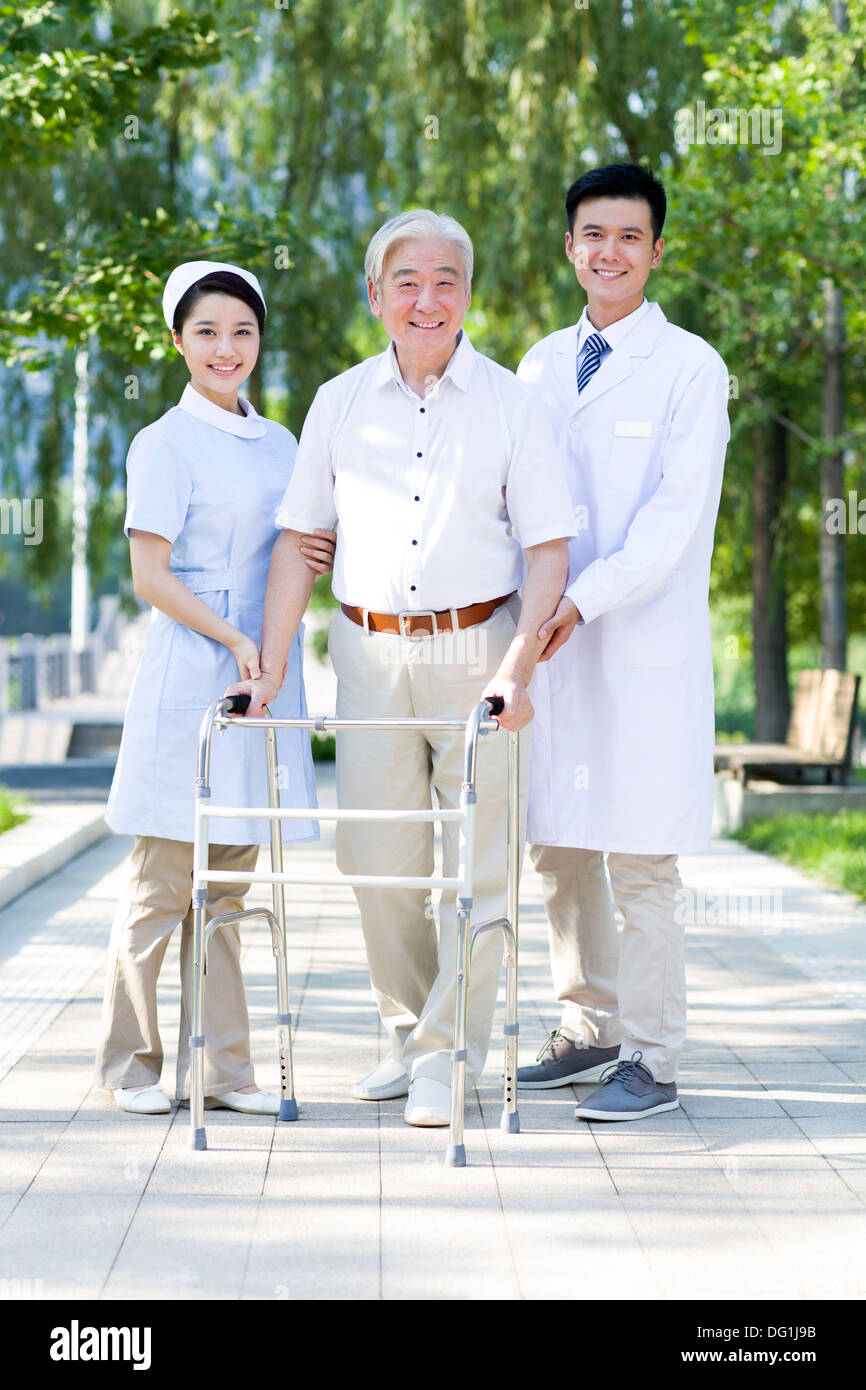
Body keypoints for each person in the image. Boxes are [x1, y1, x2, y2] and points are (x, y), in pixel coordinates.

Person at [227, 209, 573, 1127]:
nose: (427, 299)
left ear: (469, 293)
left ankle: (444, 1057)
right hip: (369, 650)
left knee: (481, 865)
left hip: (480, 649)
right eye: (407, 282)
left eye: (445, 280)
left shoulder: (512, 403)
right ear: (375, 295)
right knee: (376, 862)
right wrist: (266, 671)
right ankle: (411, 1031)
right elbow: (302, 541)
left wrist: (518, 669)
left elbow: (547, 552)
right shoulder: (339, 401)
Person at [515, 163, 730, 1120]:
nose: (610, 252)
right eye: (592, 234)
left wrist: (581, 602)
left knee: (641, 862)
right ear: (570, 247)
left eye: (629, 237)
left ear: (654, 250)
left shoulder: (691, 367)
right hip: (553, 647)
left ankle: (654, 1056)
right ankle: (588, 1026)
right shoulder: (533, 366)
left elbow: (671, 526)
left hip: (636, 642)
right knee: (558, 847)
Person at [95, 260, 335, 1115]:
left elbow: (304, 544)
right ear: (177, 342)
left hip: (263, 672)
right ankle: (132, 1065)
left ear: (259, 340)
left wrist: (271, 647)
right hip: (199, 667)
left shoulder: (281, 444)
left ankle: (225, 1073)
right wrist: (237, 639)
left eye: (242, 331)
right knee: (163, 881)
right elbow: (149, 576)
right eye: (207, 332)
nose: (226, 348)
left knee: (228, 887)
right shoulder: (163, 442)